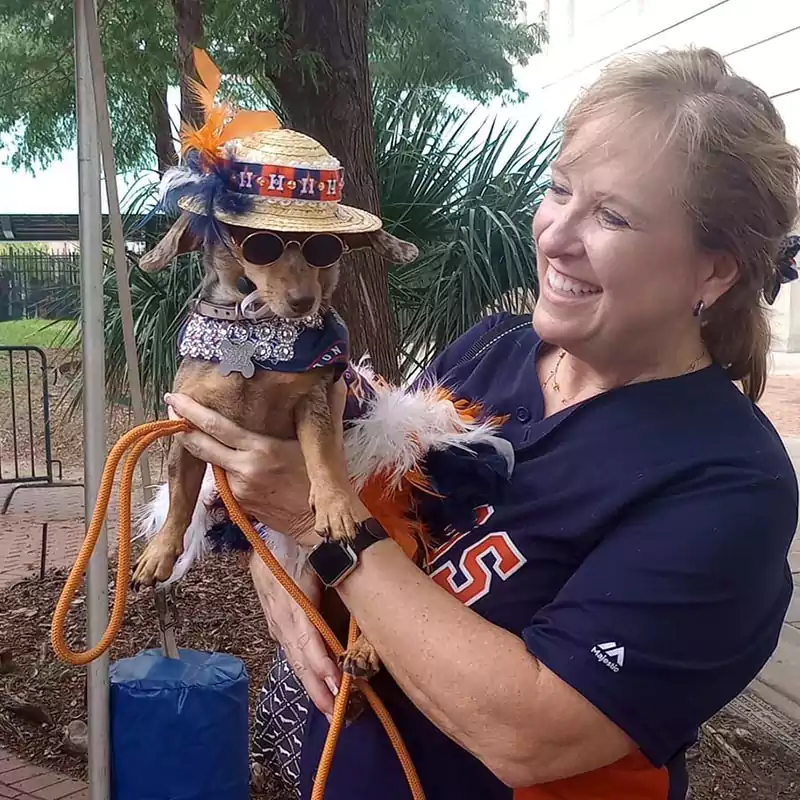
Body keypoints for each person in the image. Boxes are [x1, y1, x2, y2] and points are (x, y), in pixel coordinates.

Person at [165, 47, 800, 800]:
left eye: (613, 215)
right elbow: (357, 499)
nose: (556, 236)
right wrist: (278, 580)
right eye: (559, 189)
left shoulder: (726, 486)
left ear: (714, 271)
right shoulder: (492, 347)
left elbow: (530, 735)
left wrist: (313, 528)